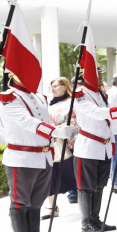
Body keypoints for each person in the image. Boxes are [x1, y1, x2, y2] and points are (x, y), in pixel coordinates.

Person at [0, 69, 74, 232]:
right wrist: (55, 131)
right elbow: (27, 122)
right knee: (20, 203)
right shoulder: (8, 98)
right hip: (22, 158)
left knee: (36, 203)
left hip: (43, 157)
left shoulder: (39, 97)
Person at [72, 66, 117, 232]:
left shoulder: (99, 94)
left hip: (103, 148)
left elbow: (107, 122)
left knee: (99, 186)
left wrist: (111, 144)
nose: (101, 76)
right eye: (97, 73)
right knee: (86, 187)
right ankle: (86, 223)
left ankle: (95, 219)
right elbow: (97, 113)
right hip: (88, 148)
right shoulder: (79, 95)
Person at [45, 77, 79, 219]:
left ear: (65, 87)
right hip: (55, 143)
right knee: (51, 175)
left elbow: (75, 122)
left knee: (75, 174)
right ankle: (52, 207)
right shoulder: (49, 104)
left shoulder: (72, 102)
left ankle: (85, 203)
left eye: (56, 86)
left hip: (72, 143)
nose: (52, 89)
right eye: (51, 87)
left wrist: (58, 128)